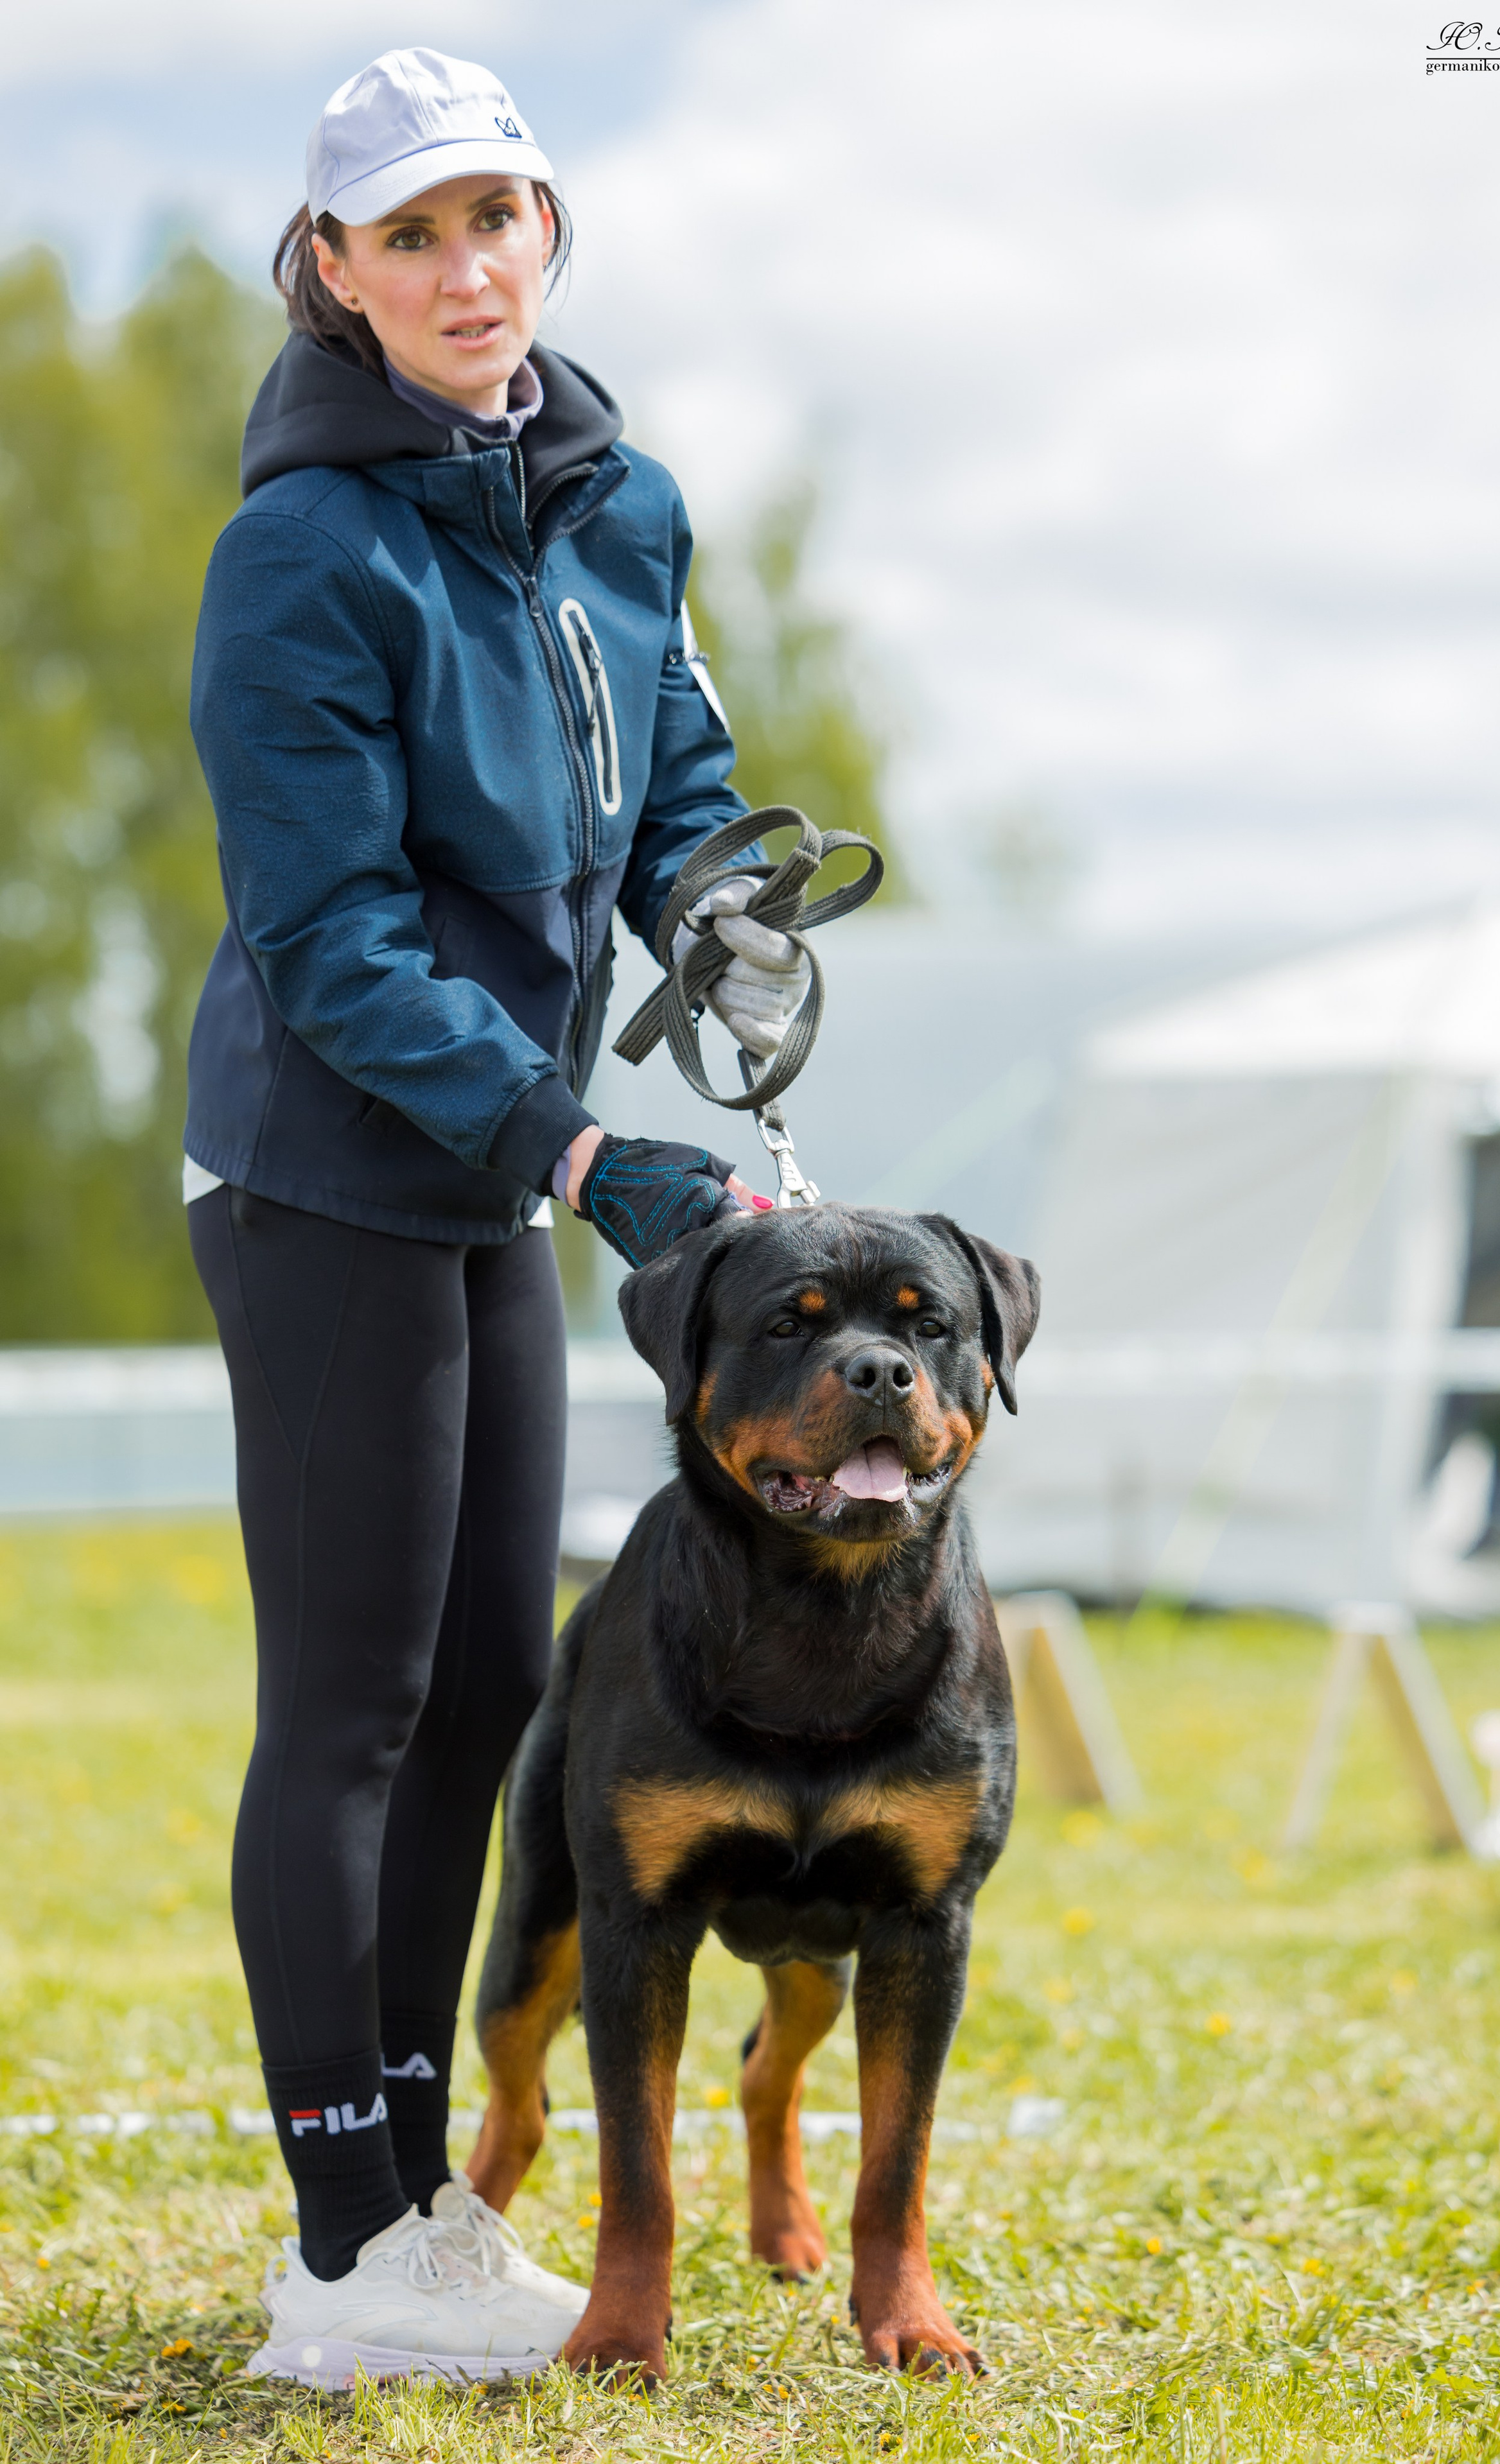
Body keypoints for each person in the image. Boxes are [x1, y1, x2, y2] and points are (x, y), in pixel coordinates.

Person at [183, 48, 808, 2384]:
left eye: (497, 221)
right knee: (347, 1704)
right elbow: (336, 947)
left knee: (492, 1692)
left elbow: (680, 785)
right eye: (410, 234)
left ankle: (421, 2204)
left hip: (487, 1171)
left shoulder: (617, 501)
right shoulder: (299, 556)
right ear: (333, 272)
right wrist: (576, 1145)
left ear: (553, 230)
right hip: (334, 1169)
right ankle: (340, 2253)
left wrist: (723, 908)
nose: (466, 270)